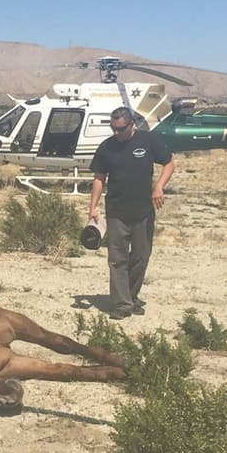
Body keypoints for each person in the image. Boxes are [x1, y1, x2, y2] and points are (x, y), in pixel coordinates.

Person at [87, 106, 175, 319]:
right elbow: (99, 178)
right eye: (113, 128)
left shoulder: (148, 140)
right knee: (117, 259)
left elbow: (169, 164)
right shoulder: (106, 147)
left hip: (143, 211)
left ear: (131, 124)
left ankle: (131, 297)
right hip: (117, 211)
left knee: (141, 257)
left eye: (121, 129)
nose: (116, 133)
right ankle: (122, 304)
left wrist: (159, 187)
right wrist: (92, 207)